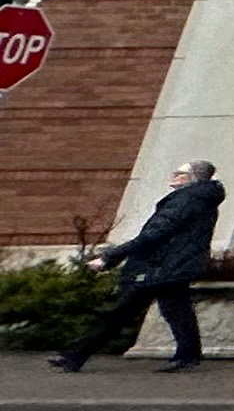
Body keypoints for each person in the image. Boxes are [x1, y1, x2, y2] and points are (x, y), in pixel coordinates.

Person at [49, 160, 224, 373]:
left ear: (192, 179)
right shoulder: (200, 199)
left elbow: (155, 234)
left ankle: (74, 356)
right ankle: (188, 356)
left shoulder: (185, 200)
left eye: (180, 173)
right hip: (174, 265)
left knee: (123, 312)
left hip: (163, 266)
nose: (174, 176)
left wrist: (109, 257)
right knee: (176, 312)